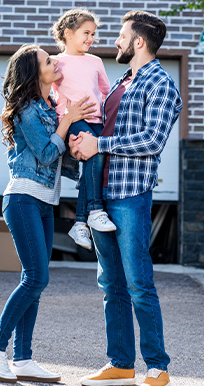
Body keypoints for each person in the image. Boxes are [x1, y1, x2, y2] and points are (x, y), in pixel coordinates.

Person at [69, 10, 182, 386]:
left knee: (138, 283)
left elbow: (152, 141)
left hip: (130, 194)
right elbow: (99, 130)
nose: (114, 41)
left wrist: (99, 144)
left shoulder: (162, 85)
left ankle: (157, 368)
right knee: (110, 284)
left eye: (120, 35)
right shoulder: (120, 81)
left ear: (138, 41)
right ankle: (120, 364)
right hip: (99, 194)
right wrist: (81, 143)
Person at [0, 43, 95, 384]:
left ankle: (24, 358)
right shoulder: (27, 109)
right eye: (48, 60)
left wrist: (79, 146)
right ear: (34, 72)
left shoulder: (50, 107)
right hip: (23, 199)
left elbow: (60, 160)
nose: (55, 62)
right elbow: (45, 154)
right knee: (36, 278)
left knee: (35, 280)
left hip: (45, 202)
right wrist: (69, 122)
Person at [51, 9, 116, 251]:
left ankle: (80, 223)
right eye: (86, 33)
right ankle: (95, 210)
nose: (91, 38)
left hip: (96, 120)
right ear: (68, 33)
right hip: (73, 120)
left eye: (93, 34)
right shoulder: (55, 62)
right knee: (95, 155)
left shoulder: (96, 61)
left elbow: (106, 92)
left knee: (93, 164)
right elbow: (46, 91)